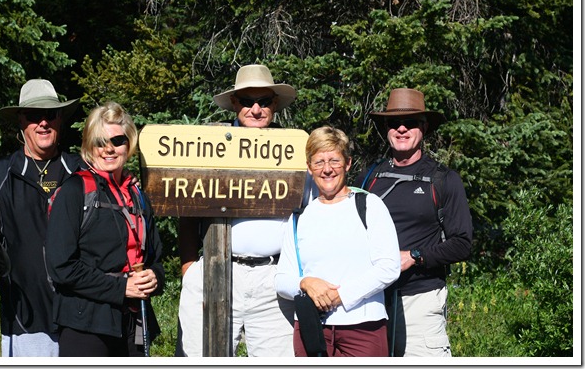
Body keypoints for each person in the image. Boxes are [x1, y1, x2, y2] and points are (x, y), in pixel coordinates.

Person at [177, 64, 310, 357]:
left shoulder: (293, 150)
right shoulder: (208, 146)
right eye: (248, 101)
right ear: (235, 104)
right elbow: (185, 208)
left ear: (275, 105)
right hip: (216, 270)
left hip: (273, 278)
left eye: (264, 102)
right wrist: (188, 267)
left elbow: (310, 212)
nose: (256, 109)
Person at [0, 79, 83, 356]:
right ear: (21, 121)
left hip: (78, 314)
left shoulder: (79, 171)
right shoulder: (1, 173)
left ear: (60, 120)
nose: (43, 122)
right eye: (34, 116)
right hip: (24, 316)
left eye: (50, 114)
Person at [359, 87, 473, 357]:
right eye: (393, 123)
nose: (401, 129)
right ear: (386, 129)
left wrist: (414, 256)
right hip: (370, 301)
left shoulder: (443, 179)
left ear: (423, 128)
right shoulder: (369, 177)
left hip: (419, 302)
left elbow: (462, 244)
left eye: (410, 123)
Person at [44, 101, 165, 357]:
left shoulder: (137, 195)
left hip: (132, 323)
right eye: (100, 141)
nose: (108, 149)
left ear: (129, 143)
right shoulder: (74, 192)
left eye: (118, 140)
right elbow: (61, 266)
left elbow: (155, 258)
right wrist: (122, 288)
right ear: (89, 145)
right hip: (85, 324)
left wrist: (155, 277)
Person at [275, 126, 401, 357]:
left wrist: (341, 296)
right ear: (309, 168)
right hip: (311, 330)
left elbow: (389, 267)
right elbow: (282, 280)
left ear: (348, 163)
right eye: (319, 162)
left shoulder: (369, 206)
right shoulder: (299, 217)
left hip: (364, 328)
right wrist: (305, 283)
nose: (327, 169)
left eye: (334, 160)